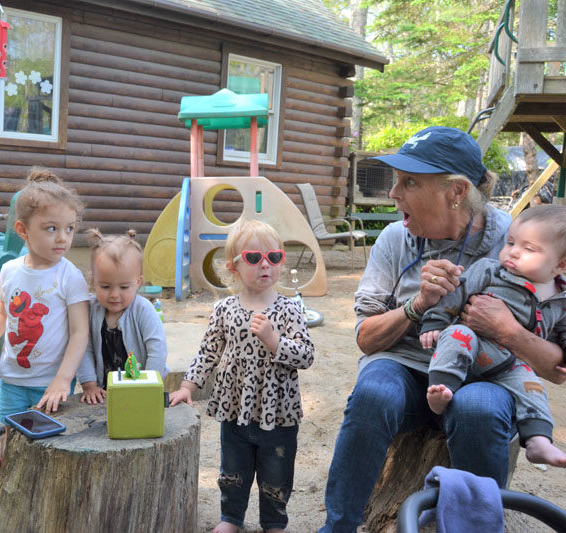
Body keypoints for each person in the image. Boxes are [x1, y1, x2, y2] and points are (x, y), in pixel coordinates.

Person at [319, 126, 566, 533]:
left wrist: (508, 331)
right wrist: (418, 306)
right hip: (405, 365)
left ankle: (477, 528)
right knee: (372, 393)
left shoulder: (519, 242)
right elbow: (365, 337)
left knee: (480, 409)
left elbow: (557, 369)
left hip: (488, 372)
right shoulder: (395, 238)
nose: (394, 194)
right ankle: (338, 528)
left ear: (456, 192)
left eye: (409, 182)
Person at [169, 219, 315, 533]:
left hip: (278, 412)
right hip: (235, 407)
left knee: (277, 470)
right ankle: (231, 519)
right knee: (233, 469)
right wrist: (187, 386)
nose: (266, 265)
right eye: (254, 257)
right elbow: (208, 351)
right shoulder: (224, 309)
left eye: (274, 257)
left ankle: (274, 521)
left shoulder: (290, 309)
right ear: (233, 267)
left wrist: (274, 341)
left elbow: (307, 355)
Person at [421, 205, 566, 467]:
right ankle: (441, 388)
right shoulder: (491, 270)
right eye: (510, 242)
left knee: (533, 387)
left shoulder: (562, 300)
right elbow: (456, 294)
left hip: (510, 365)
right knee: (457, 333)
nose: (513, 251)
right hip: (470, 349)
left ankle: (538, 441)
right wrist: (434, 321)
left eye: (529, 248)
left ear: (561, 264)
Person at [0, 168, 90, 418]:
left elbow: (79, 332)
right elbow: (1, 313)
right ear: (22, 230)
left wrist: (63, 379)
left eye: (70, 229)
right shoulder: (10, 271)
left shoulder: (69, 276)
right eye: (51, 228)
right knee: (11, 436)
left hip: (51, 383)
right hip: (12, 379)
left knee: (48, 441)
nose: (62, 238)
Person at [77, 228, 168, 403]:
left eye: (124, 287)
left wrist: (149, 384)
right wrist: (89, 384)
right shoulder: (90, 309)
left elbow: (157, 349)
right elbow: (83, 348)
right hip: (104, 390)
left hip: (140, 384)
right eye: (105, 286)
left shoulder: (143, 309)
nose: (114, 295)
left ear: (138, 282)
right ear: (93, 281)